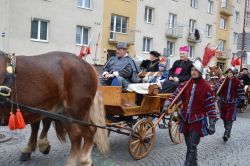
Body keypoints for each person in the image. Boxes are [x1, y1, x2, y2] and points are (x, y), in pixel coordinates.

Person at [161, 59, 217, 166]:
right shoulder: (186, 84)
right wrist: (167, 103)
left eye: (195, 70)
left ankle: (187, 163)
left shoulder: (206, 87)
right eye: (192, 70)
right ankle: (194, 163)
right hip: (185, 118)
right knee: (189, 145)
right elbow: (176, 95)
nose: (193, 72)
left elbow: (210, 106)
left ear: (200, 72)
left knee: (192, 145)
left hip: (197, 120)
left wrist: (212, 123)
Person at [213, 67, 245, 142]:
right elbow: (216, 88)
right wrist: (215, 88)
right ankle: (227, 130)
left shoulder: (238, 82)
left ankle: (226, 134)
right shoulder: (223, 81)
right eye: (228, 72)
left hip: (232, 103)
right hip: (223, 102)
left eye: (231, 72)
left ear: (233, 74)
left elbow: (241, 92)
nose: (229, 74)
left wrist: (241, 100)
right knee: (224, 118)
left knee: (229, 118)